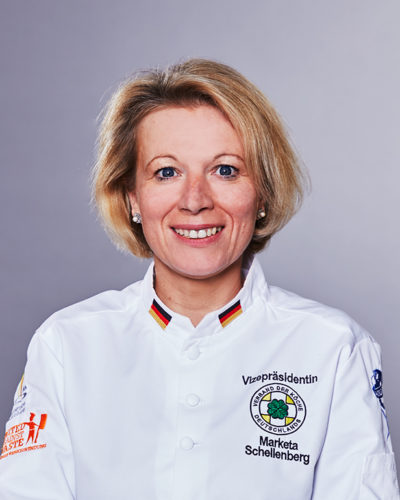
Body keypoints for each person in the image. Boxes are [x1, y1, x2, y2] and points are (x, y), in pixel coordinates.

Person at [0, 58, 398, 500]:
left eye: (225, 170)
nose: (194, 200)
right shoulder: (65, 345)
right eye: (166, 172)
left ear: (262, 193)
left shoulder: (335, 349)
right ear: (132, 197)